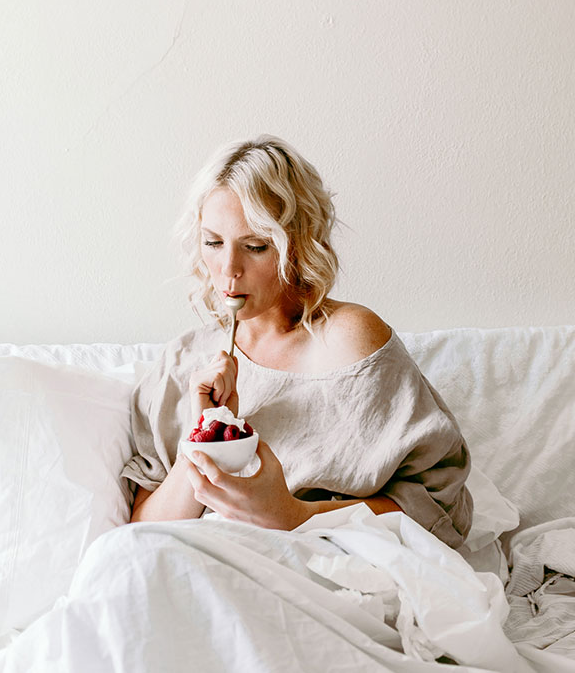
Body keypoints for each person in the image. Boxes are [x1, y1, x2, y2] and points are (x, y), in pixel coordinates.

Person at [122, 135, 473, 548]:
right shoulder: (184, 362)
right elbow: (138, 534)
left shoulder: (348, 343)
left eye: (255, 246)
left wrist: (294, 515)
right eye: (213, 242)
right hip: (196, 563)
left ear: (298, 246)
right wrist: (202, 441)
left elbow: (441, 509)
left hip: (322, 568)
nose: (228, 270)